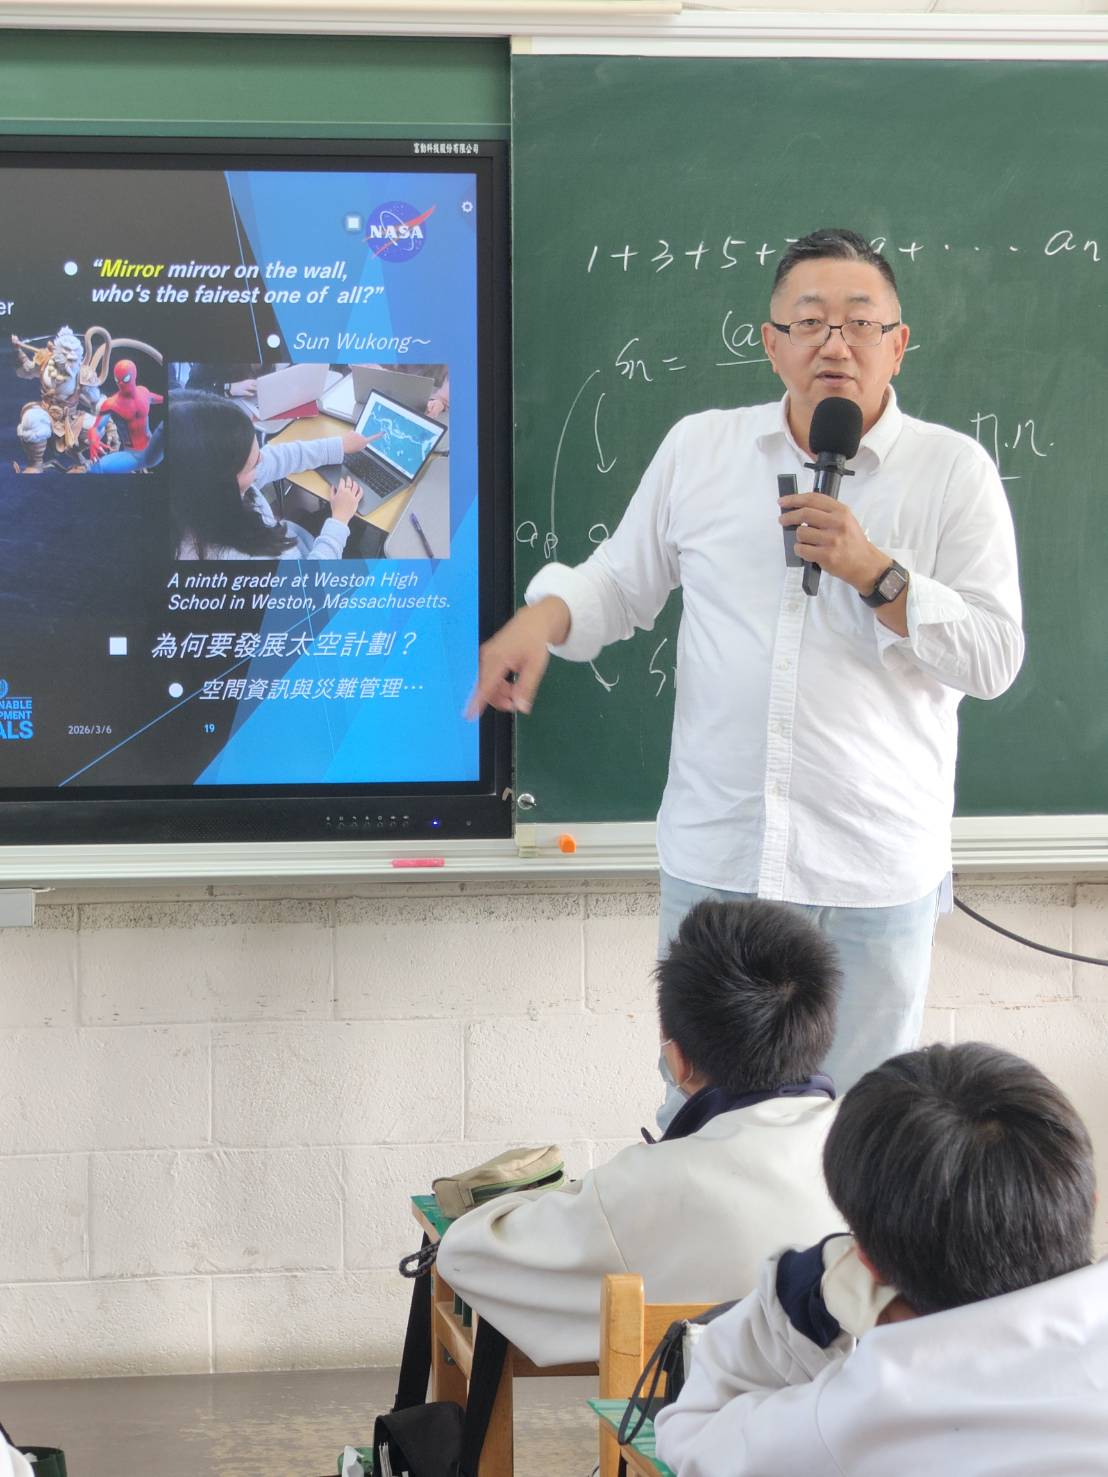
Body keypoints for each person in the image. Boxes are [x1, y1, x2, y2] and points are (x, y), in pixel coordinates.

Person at [468, 227, 1024, 1118]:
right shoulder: (703, 449)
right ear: (771, 343)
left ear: (898, 344)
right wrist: (543, 616)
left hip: (872, 872)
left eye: (860, 322)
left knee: (861, 1132)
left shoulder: (953, 471)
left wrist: (877, 575)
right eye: (809, 321)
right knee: (699, 1120)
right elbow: (618, 584)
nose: (834, 344)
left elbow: (994, 656)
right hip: (721, 863)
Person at [654, 1041, 1107, 1476]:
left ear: (867, 1261)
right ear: (1090, 1202)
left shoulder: (862, 1414)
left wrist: (797, 1286)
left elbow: (693, 1428)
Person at [434, 898, 841, 1366]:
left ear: (677, 1059)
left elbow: (466, 1254)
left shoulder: (642, 1185)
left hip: (705, 1409)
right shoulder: (887, 1145)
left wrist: (554, 1196)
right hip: (876, 1409)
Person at [168, 390, 374, 561]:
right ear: (220, 483)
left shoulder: (206, 492)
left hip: (287, 540)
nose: (262, 460)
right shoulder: (237, 558)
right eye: (251, 465)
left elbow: (278, 456)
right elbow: (309, 590)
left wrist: (338, 446)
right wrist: (339, 521)